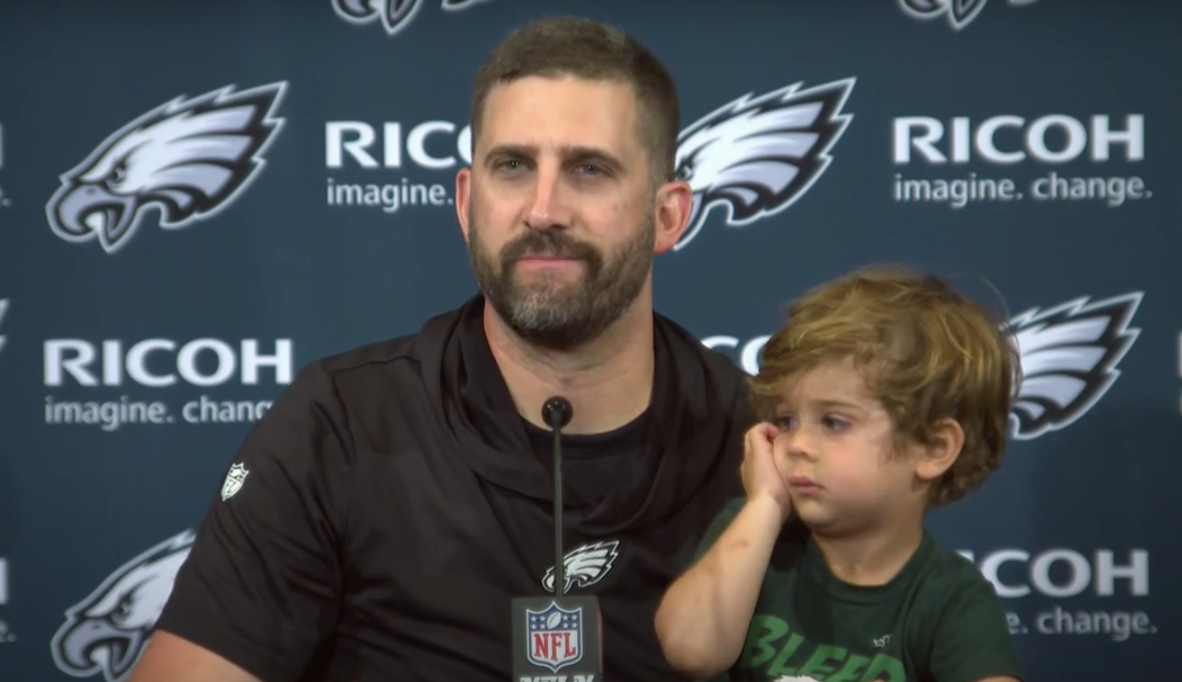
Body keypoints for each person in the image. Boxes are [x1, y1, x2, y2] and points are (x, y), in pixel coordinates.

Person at [127, 15, 753, 682]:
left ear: (668, 215)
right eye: (512, 166)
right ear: (465, 202)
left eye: (589, 170)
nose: (543, 209)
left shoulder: (762, 442)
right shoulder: (340, 425)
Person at [654, 266, 1026, 682]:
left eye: (834, 422)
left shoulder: (950, 599)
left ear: (934, 448)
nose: (796, 444)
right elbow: (690, 650)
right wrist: (765, 504)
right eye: (787, 421)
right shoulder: (754, 539)